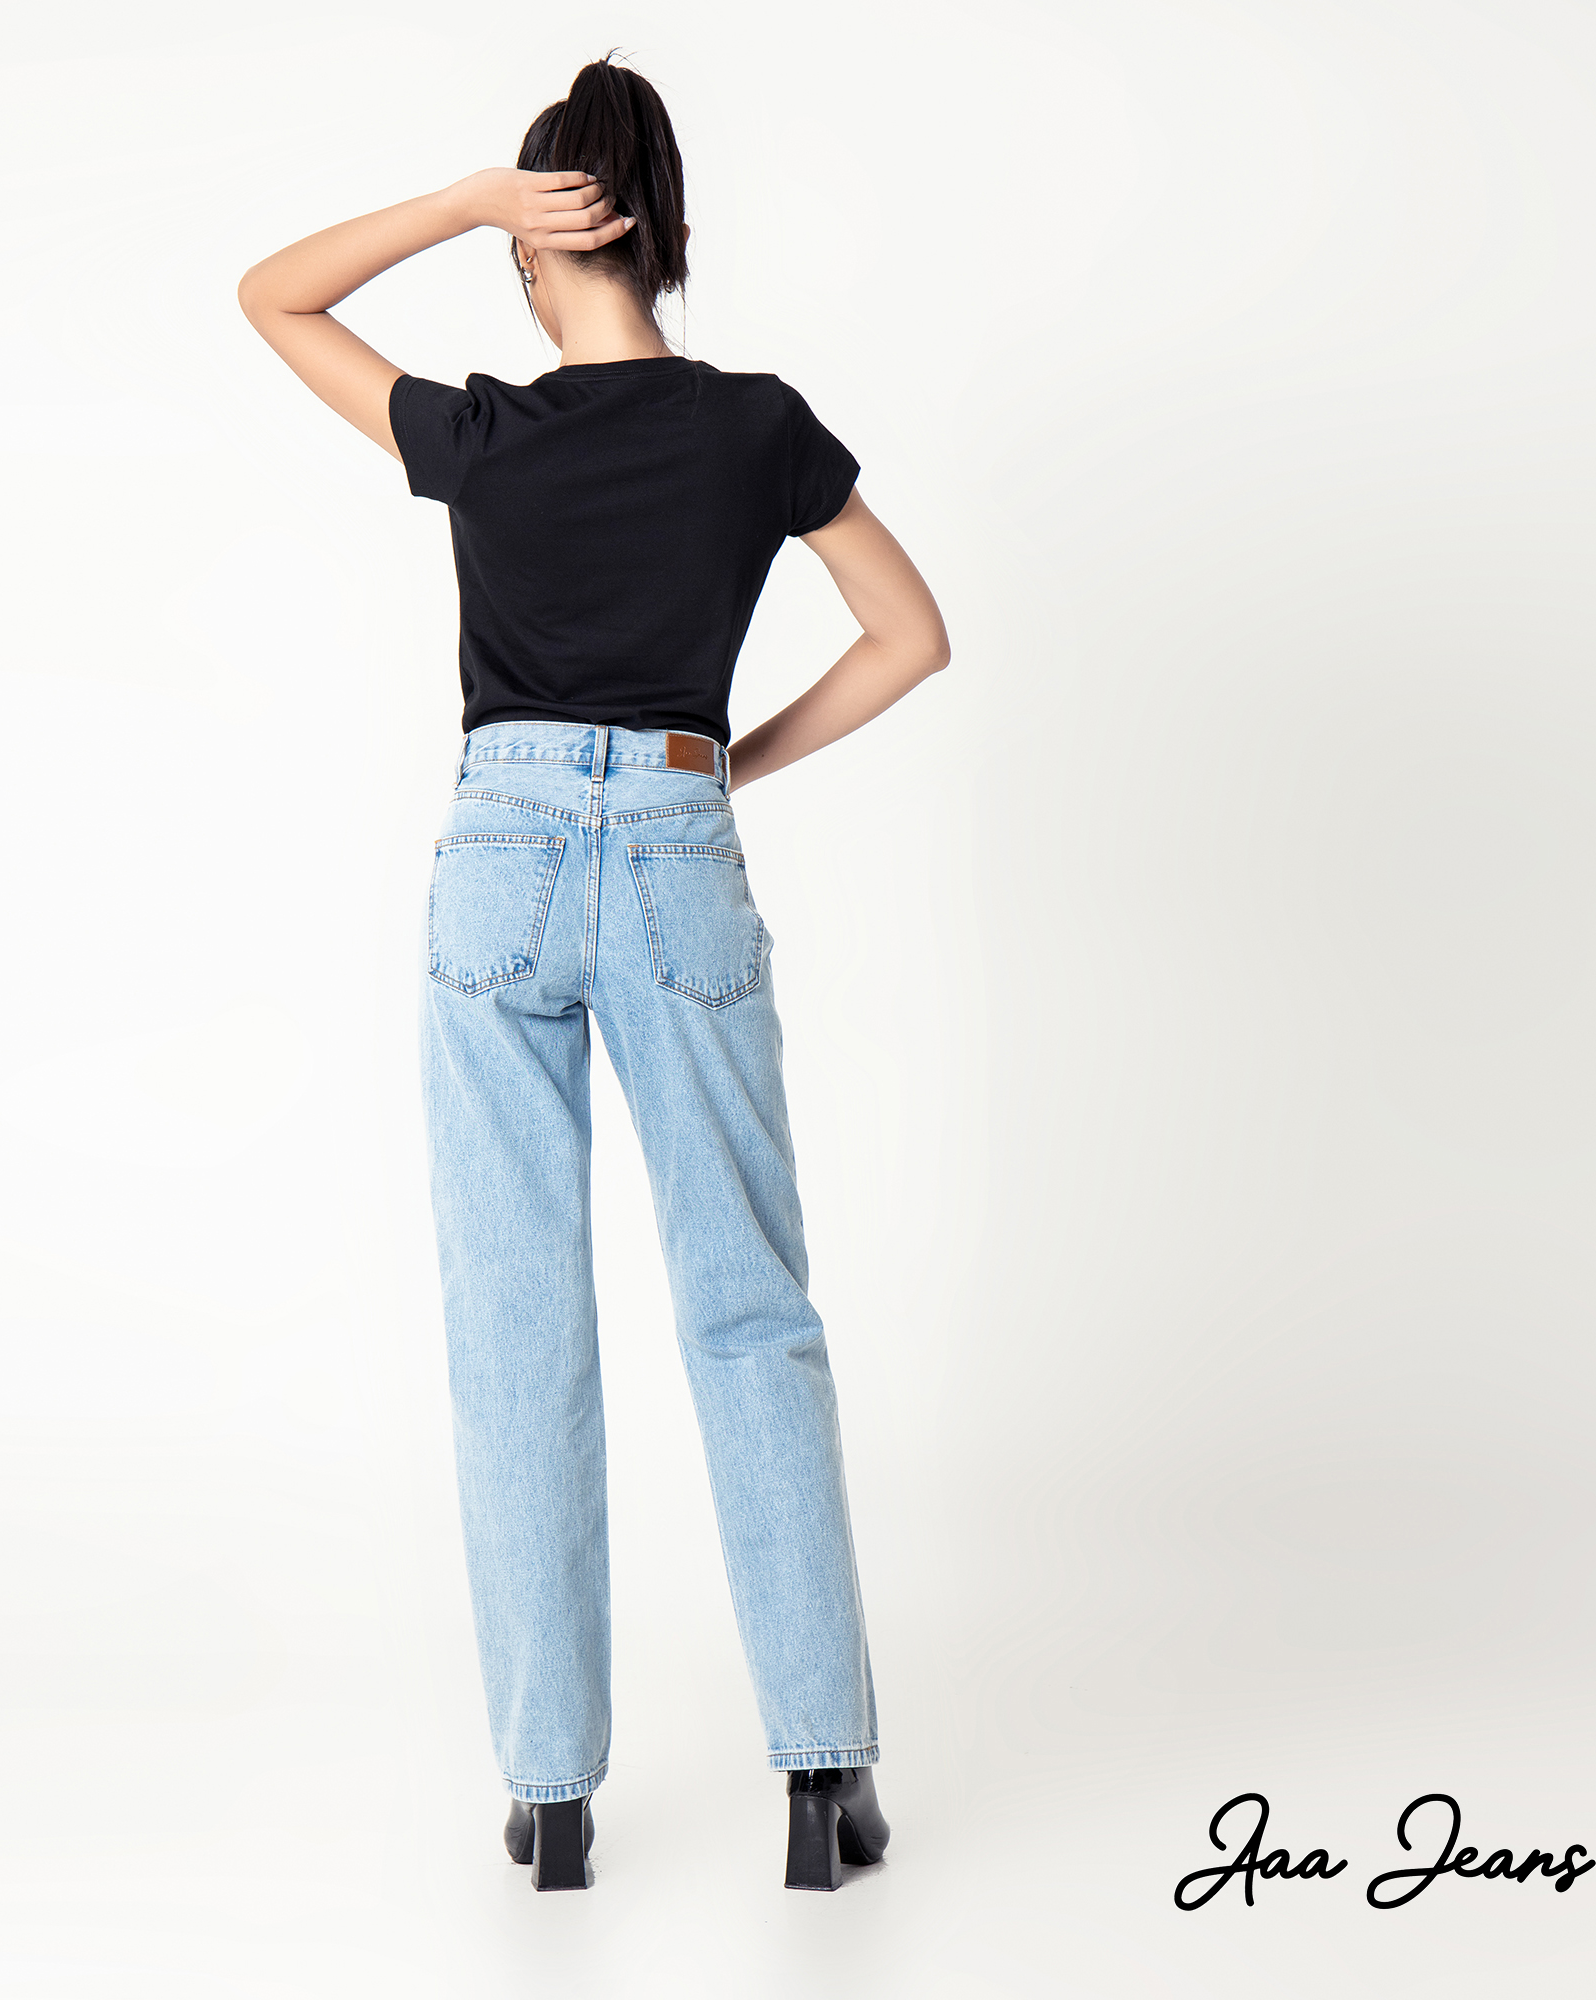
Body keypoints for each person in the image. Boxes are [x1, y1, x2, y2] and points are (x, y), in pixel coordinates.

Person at [238, 54, 948, 1892]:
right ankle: (824, 1781)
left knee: (516, 1326)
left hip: (500, 851)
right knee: (751, 1309)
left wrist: (464, 199)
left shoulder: (482, 433)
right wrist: (721, 769)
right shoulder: (758, 427)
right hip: (678, 847)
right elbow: (911, 635)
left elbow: (273, 296)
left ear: (540, 251)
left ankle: (551, 1797)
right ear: (669, 238)